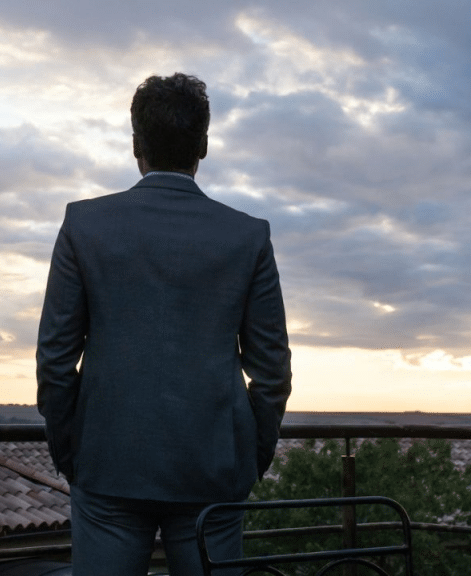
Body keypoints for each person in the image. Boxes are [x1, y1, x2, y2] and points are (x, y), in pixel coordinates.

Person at [36, 72, 292, 576]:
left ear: (136, 145)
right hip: (213, 471)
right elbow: (273, 372)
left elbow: (55, 359)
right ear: (203, 145)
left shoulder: (83, 225)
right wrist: (246, 460)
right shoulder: (247, 236)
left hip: (107, 464)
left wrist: (74, 453)